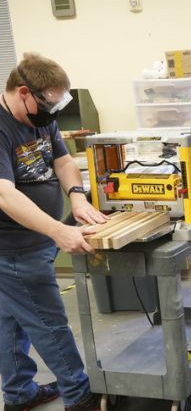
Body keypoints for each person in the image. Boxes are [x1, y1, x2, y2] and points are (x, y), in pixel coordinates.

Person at [0, 53, 108, 410]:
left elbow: (61, 159)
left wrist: (76, 197)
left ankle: (19, 394)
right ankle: (80, 397)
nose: (51, 115)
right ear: (24, 92)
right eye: (47, 104)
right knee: (49, 323)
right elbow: (4, 193)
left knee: (10, 322)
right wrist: (58, 232)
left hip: (37, 241)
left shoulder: (41, 118)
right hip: (14, 247)